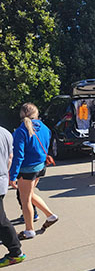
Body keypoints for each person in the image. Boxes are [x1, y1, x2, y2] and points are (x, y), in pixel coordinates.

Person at [9, 103, 58, 240]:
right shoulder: (44, 128)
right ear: (36, 113)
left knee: (25, 200)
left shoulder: (20, 131)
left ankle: (29, 230)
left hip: (27, 170)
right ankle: (50, 215)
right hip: (40, 166)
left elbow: (18, 156)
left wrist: (12, 176)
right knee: (29, 195)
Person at [0, 126, 26, 267]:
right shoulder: (5, 132)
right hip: (2, 179)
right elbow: (10, 158)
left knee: (1, 220)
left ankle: (15, 252)